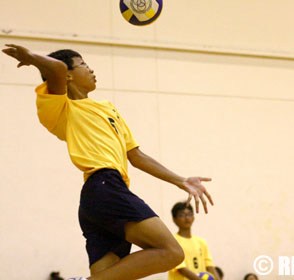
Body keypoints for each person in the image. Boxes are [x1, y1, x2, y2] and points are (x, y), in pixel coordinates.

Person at [2, 44, 214, 280]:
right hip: (104, 186)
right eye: (84, 65)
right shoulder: (61, 108)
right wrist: (31, 57)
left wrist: (180, 180)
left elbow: (136, 156)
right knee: (172, 252)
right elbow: (57, 69)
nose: (92, 70)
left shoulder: (109, 109)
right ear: (69, 75)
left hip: (100, 197)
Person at [168, 202, 219, 280]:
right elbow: (181, 268)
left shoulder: (201, 242)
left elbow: (210, 266)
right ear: (174, 219)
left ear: (193, 217)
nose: (187, 218)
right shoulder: (172, 242)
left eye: (190, 214)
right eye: (182, 215)